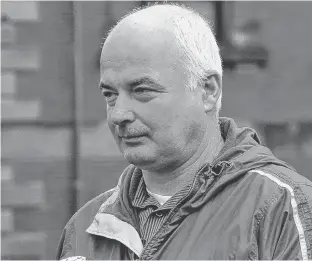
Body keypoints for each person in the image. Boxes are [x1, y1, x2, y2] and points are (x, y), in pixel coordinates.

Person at [57, 3, 312, 260]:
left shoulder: (282, 208)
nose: (118, 114)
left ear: (208, 91)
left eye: (142, 90)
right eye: (110, 95)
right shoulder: (84, 228)